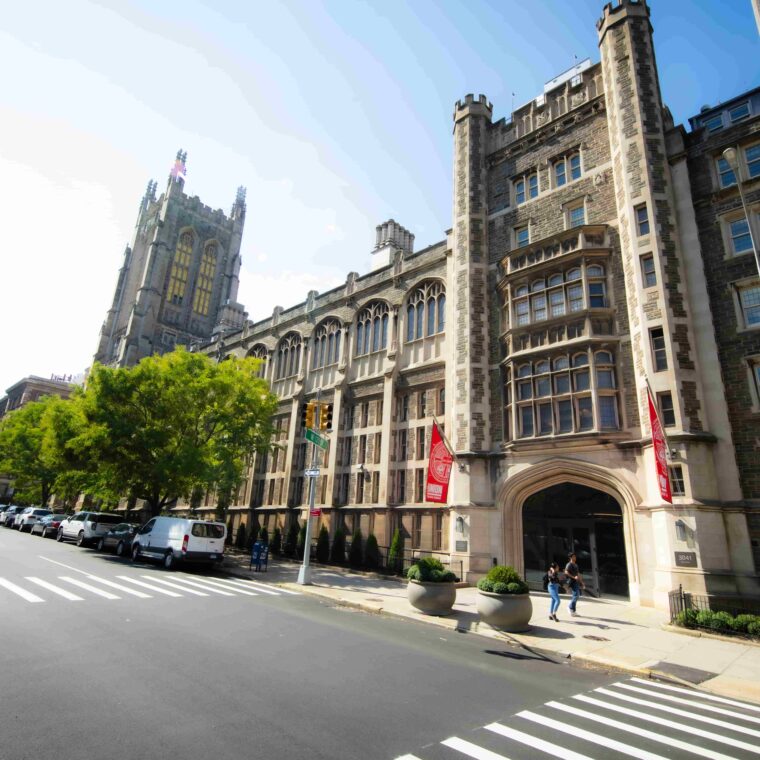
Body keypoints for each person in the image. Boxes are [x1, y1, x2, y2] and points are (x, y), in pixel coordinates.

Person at [564, 552, 585, 617]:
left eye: (575, 556)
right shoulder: (569, 564)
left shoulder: (576, 565)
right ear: (570, 557)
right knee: (577, 595)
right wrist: (573, 577)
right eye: (574, 557)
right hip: (571, 581)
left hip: (575, 581)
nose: (575, 558)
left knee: (575, 596)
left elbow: (578, 574)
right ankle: (570, 607)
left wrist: (582, 582)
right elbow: (566, 572)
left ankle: (573, 611)